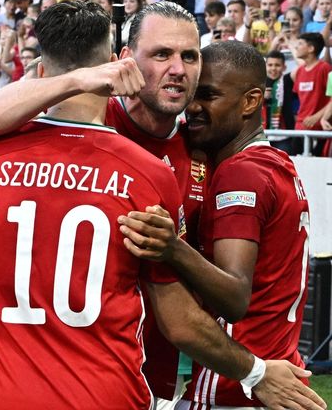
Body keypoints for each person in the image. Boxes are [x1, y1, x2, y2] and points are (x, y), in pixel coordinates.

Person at [0, 0, 324, 410]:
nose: (178, 69)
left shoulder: (201, 148)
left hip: (155, 384)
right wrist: (82, 79)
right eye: (161, 54)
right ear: (121, 62)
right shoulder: (93, 118)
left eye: (190, 56)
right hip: (102, 381)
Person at [118, 40, 314, 409]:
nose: (192, 107)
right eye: (193, 94)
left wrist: (172, 248)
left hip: (237, 384)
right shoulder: (277, 165)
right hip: (275, 364)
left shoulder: (240, 173)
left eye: (208, 95)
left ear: (251, 102)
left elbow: (234, 296)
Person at [291, 32, 330, 155]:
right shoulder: (299, 71)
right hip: (299, 128)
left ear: (311, 48)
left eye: (301, 44)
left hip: (319, 129)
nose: (296, 47)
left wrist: (316, 117)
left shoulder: (325, 68)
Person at [264, 50, 296, 154]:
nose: (273, 68)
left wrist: (289, 42)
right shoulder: (258, 83)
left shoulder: (287, 80)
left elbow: (303, 65)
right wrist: (261, 98)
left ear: (284, 67)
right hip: (261, 137)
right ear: (265, 66)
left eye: (277, 65)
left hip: (283, 137)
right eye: (270, 65)